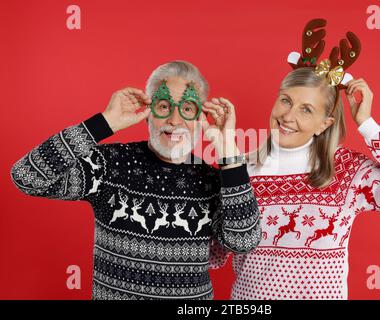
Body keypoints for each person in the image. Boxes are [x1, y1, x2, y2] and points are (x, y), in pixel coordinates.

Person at [209, 19, 380, 300]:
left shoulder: (347, 171)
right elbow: (214, 255)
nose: (288, 116)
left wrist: (367, 124)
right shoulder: (239, 170)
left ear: (324, 124)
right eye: (285, 100)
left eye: (306, 110)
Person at [10, 60, 261, 300]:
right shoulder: (110, 165)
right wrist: (104, 123)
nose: (175, 121)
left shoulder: (213, 180)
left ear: (200, 118)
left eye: (187, 109)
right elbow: (27, 177)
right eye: (164, 106)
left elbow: (244, 241)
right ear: (149, 112)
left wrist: (229, 150)